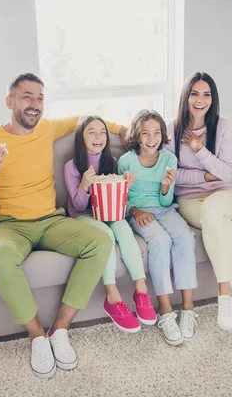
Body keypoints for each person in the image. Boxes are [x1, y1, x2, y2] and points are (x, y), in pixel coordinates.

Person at [0, 73, 125, 379]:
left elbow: (83, 120)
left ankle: (60, 329)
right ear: (10, 102)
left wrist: (122, 129)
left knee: (100, 242)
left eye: (40, 98)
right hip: (8, 226)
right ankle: (36, 336)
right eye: (27, 97)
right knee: (1, 257)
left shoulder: (47, 128)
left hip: (50, 220)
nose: (35, 104)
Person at [166, 71, 232, 335]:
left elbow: (227, 174)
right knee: (224, 230)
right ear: (186, 97)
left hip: (224, 195)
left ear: (213, 99)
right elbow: (174, 176)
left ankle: (224, 296)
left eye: (207, 94)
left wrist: (200, 149)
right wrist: (204, 175)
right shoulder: (171, 129)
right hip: (189, 198)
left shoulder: (222, 126)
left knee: (213, 210)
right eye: (195, 93)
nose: (201, 100)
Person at [64, 115, 157, 333]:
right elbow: (78, 204)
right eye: (91, 132)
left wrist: (125, 183)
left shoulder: (111, 163)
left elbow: (116, 201)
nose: (98, 137)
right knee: (105, 234)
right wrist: (85, 185)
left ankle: (140, 290)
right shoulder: (72, 166)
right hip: (82, 215)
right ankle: (112, 298)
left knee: (123, 228)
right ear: (81, 137)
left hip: (107, 212)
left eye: (102, 132)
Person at [118, 109, 197, 346]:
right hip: (138, 213)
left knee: (185, 237)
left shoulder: (168, 160)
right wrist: (134, 211)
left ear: (162, 135)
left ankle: (188, 309)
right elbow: (121, 199)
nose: (151, 139)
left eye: (156, 133)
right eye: (145, 133)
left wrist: (165, 187)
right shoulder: (126, 162)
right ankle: (165, 311)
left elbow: (165, 202)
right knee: (160, 241)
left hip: (164, 209)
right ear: (137, 136)